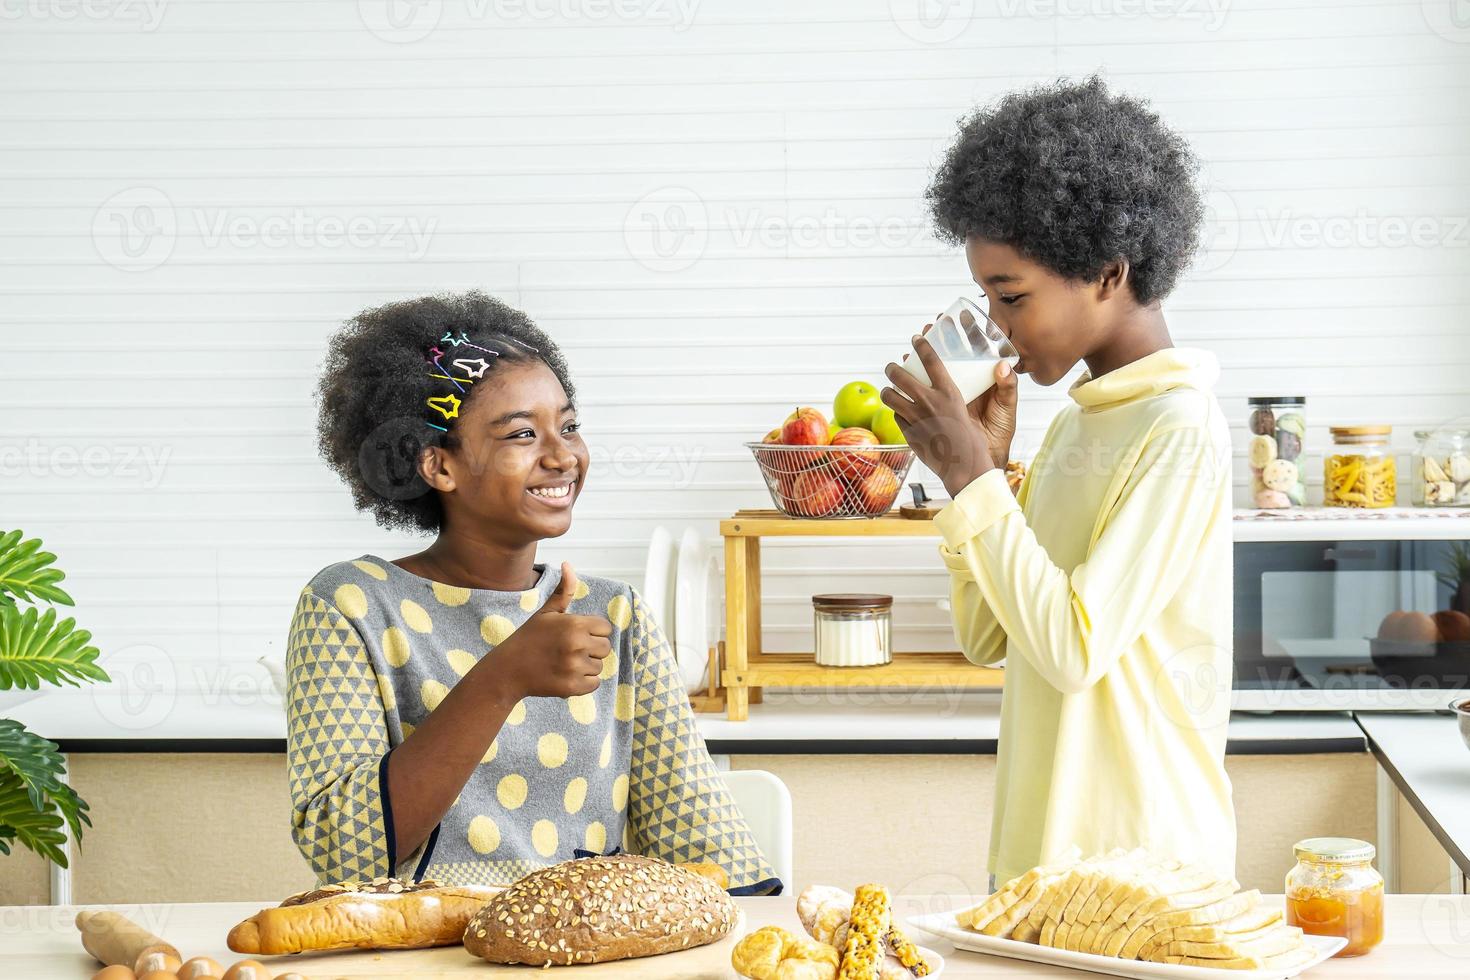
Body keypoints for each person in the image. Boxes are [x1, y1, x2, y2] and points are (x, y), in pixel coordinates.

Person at [286, 290, 779, 893]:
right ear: (438, 465)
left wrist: (767, 932)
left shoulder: (614, 613)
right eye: (522, 435)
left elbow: (698, 827)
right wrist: (503, 677)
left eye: (568, 426)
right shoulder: (350, 606)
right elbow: (343, 852)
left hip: (586, 950)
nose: (562, 455)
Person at [881, 77, 1235, 889]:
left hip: (1143, 872)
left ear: (1109, 273)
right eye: (989, 299)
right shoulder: (1079, 424)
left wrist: (977, 482)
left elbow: (1076, 650)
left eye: (1012, 296)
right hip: (1043, 856)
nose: (998, 327)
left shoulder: (1178, 429)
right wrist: (987, 475)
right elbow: (991, 638)